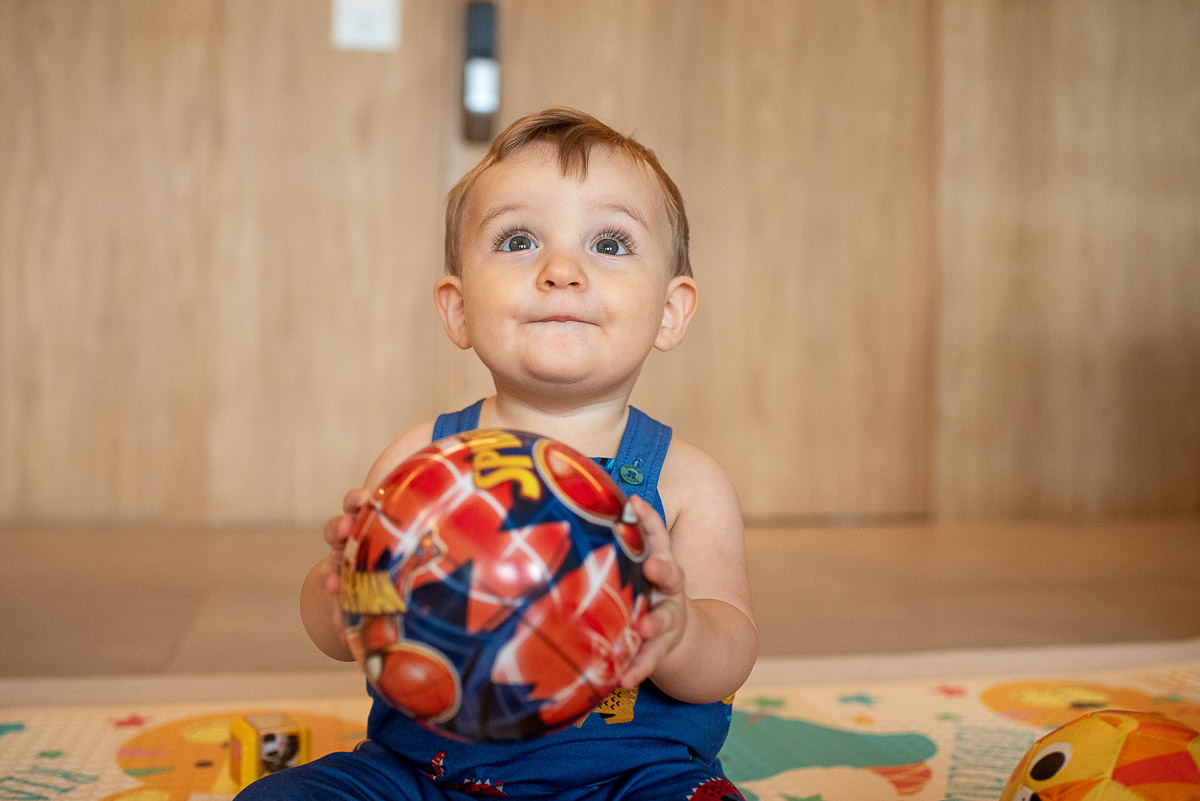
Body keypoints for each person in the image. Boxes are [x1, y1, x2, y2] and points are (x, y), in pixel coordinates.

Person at [240, 106, 758, 800]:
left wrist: (682, 628)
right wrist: (341, 586)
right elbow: (340, 636)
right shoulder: (426, 461)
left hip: (632, 778)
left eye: (608, 242)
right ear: (457, 308)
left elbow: (728, 658)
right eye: (518, 239)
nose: (561, 270)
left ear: (670, 311)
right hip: (427, 775)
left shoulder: (687, 481)